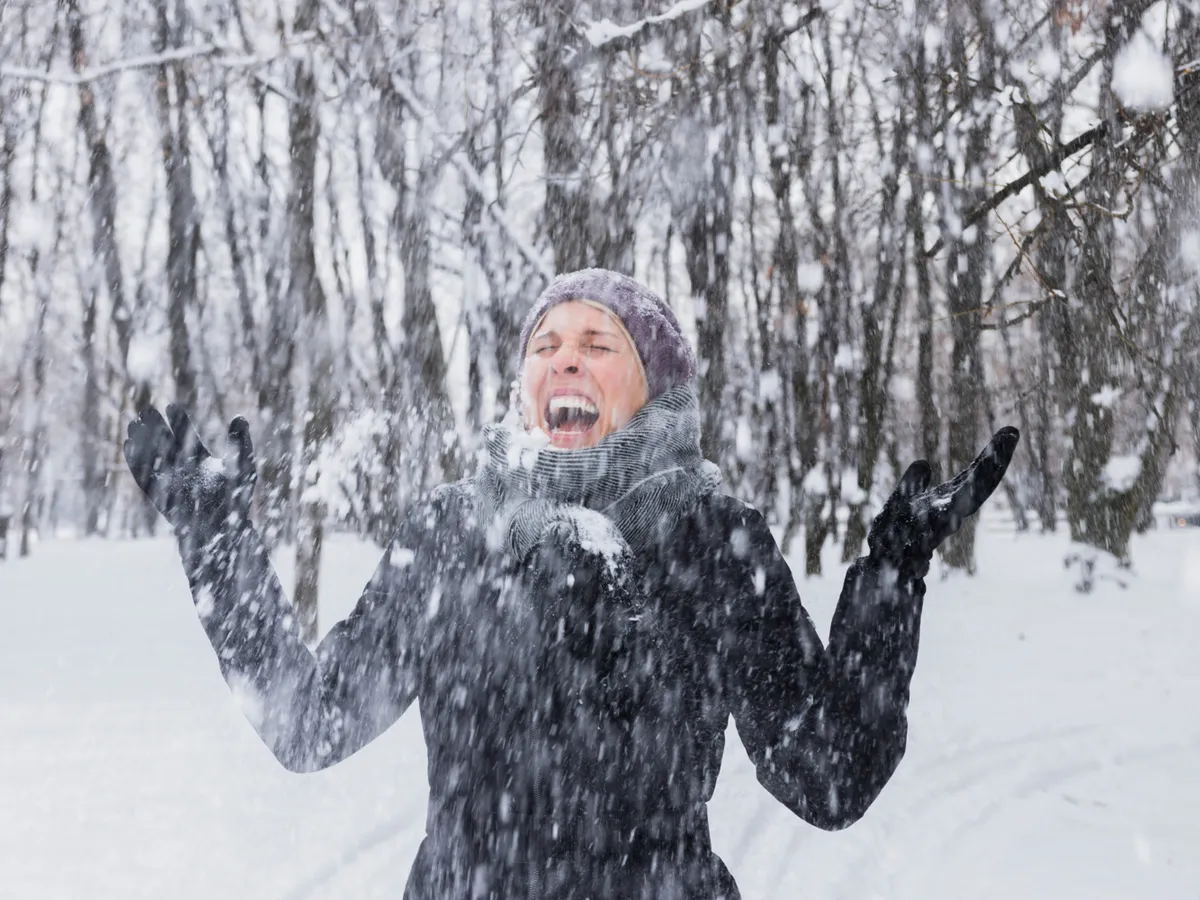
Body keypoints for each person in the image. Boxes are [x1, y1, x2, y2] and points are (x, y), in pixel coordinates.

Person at [124, 268, 1019, 900]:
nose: (564, 359)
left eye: (599, 342)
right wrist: (217, 541)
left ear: (654, 382)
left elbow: (829, 777)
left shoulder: (711, 539)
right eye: (545, 344)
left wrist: (895, 572)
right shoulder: (452, 534)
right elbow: (307, 721)